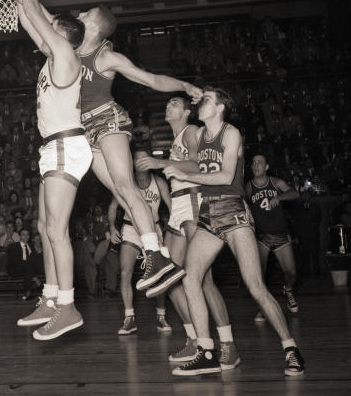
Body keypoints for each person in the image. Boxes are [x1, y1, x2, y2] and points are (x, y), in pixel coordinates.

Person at [0, 0, 91, 341]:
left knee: (57, 230)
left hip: (66, 145)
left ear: (64, 36)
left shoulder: (66, 56)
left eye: (53, 29)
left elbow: (32, 12)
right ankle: (50, 296)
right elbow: (32, 16)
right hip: (53, 148)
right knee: (44, 227)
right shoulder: (52, 56)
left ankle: (68, 306)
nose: (44, 33)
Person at [164, 87, 305, 377]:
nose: (202, 104)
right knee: (191, 280)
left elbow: (226, 176)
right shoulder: (199, 135)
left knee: (255, 287)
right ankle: (206, 350)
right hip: (207, 214)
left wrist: (184, 173)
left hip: (234, 211)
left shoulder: (231, 133)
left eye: (207, 101)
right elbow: (188, 153)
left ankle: (291, 349)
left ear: (219, 108)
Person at [75, 4, 201, 297]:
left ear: (95, 25)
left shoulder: (106, 56)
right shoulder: (70, 46)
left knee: (125, 185)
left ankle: (156, 256)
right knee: (120, 195)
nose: (79, 15)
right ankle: (155, 255)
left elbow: (152, 80)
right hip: (86, 132)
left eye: (86, 14)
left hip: (108, 120)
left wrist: (183, 84)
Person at [135, 97, 238, 369]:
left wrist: (161, 165)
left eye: (175, 103)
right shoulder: (175, 139)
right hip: (178, 207)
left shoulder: (191, 131)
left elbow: (196, 165)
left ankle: (227, 345)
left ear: (187, 111)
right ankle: (194, 338)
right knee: (166, 278)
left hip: (193, 202)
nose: (169, 107)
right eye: (167, 103)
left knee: (203, 279)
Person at [108, 148, 172, 337]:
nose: (142, 162)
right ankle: (129, 318)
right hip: (130, 228)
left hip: (154, 229)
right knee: (125, 272)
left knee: (160, 274)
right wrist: (112, 227)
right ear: (132, 162)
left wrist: (174, 228)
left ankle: (161, 316)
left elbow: (171, 206)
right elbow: (113, 207)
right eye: (138, 159)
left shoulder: (158, 182)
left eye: (145, 159)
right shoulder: (126, 182)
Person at [247, 154, 301, 321]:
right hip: (261, 236)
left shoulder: (276, 182)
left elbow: (295, 193)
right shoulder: (248, 187)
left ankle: (288, 289)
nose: (256, 165)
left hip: (280, 234)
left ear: (266, 167)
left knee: (291, 273)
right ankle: (262, 307)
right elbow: (242, 205)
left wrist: (280, 196)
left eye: (259, 163)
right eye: (254, 163)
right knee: (260, 274)